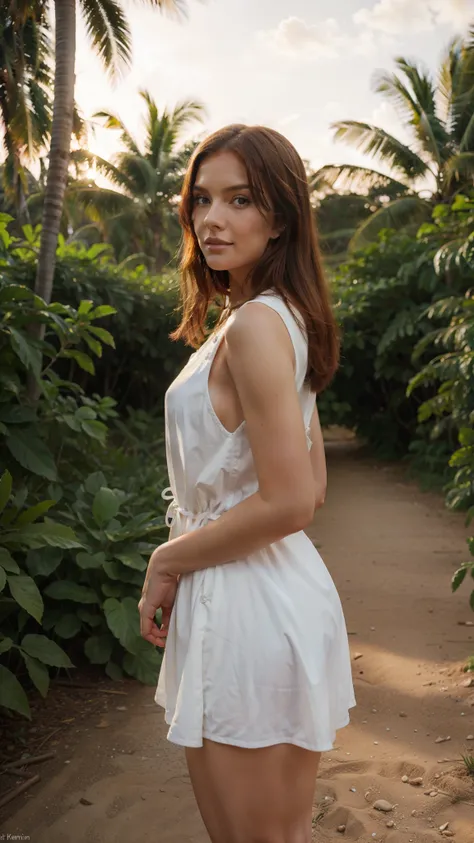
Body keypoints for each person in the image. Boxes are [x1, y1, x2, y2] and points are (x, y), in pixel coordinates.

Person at [138, 123, 356, 843]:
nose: (212, 218)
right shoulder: (274, 318)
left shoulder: (257, 327)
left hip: (248, 609)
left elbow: (292, 500)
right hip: (252, 595)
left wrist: (167, 559)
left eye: (239, 199)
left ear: (281, 217)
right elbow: (312, 486)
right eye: (202, 198)